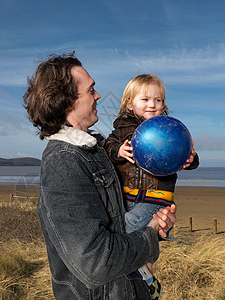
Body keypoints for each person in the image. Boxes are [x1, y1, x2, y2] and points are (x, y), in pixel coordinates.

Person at [23, 53, 176, 300]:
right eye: (91, 90)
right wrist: (150, 234)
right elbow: (96, 263)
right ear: (66, 101)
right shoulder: (63, 162)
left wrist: (156, 224)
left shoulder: (96, 149)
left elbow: (120, 221)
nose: (98, 96)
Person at [104, 74, 199, 296]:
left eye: (158, 100)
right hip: (127, 195)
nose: (152, 105)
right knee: (137, 234)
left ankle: (142, 275)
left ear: (163, 105)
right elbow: (108, 147)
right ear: (130, 103)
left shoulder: (169, 129)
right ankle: (145, 277)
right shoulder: (121, 129)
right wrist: (118, 151)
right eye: (145, 100)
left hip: (157, 197)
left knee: (126, 228)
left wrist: (190, 159)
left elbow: (189, 155)